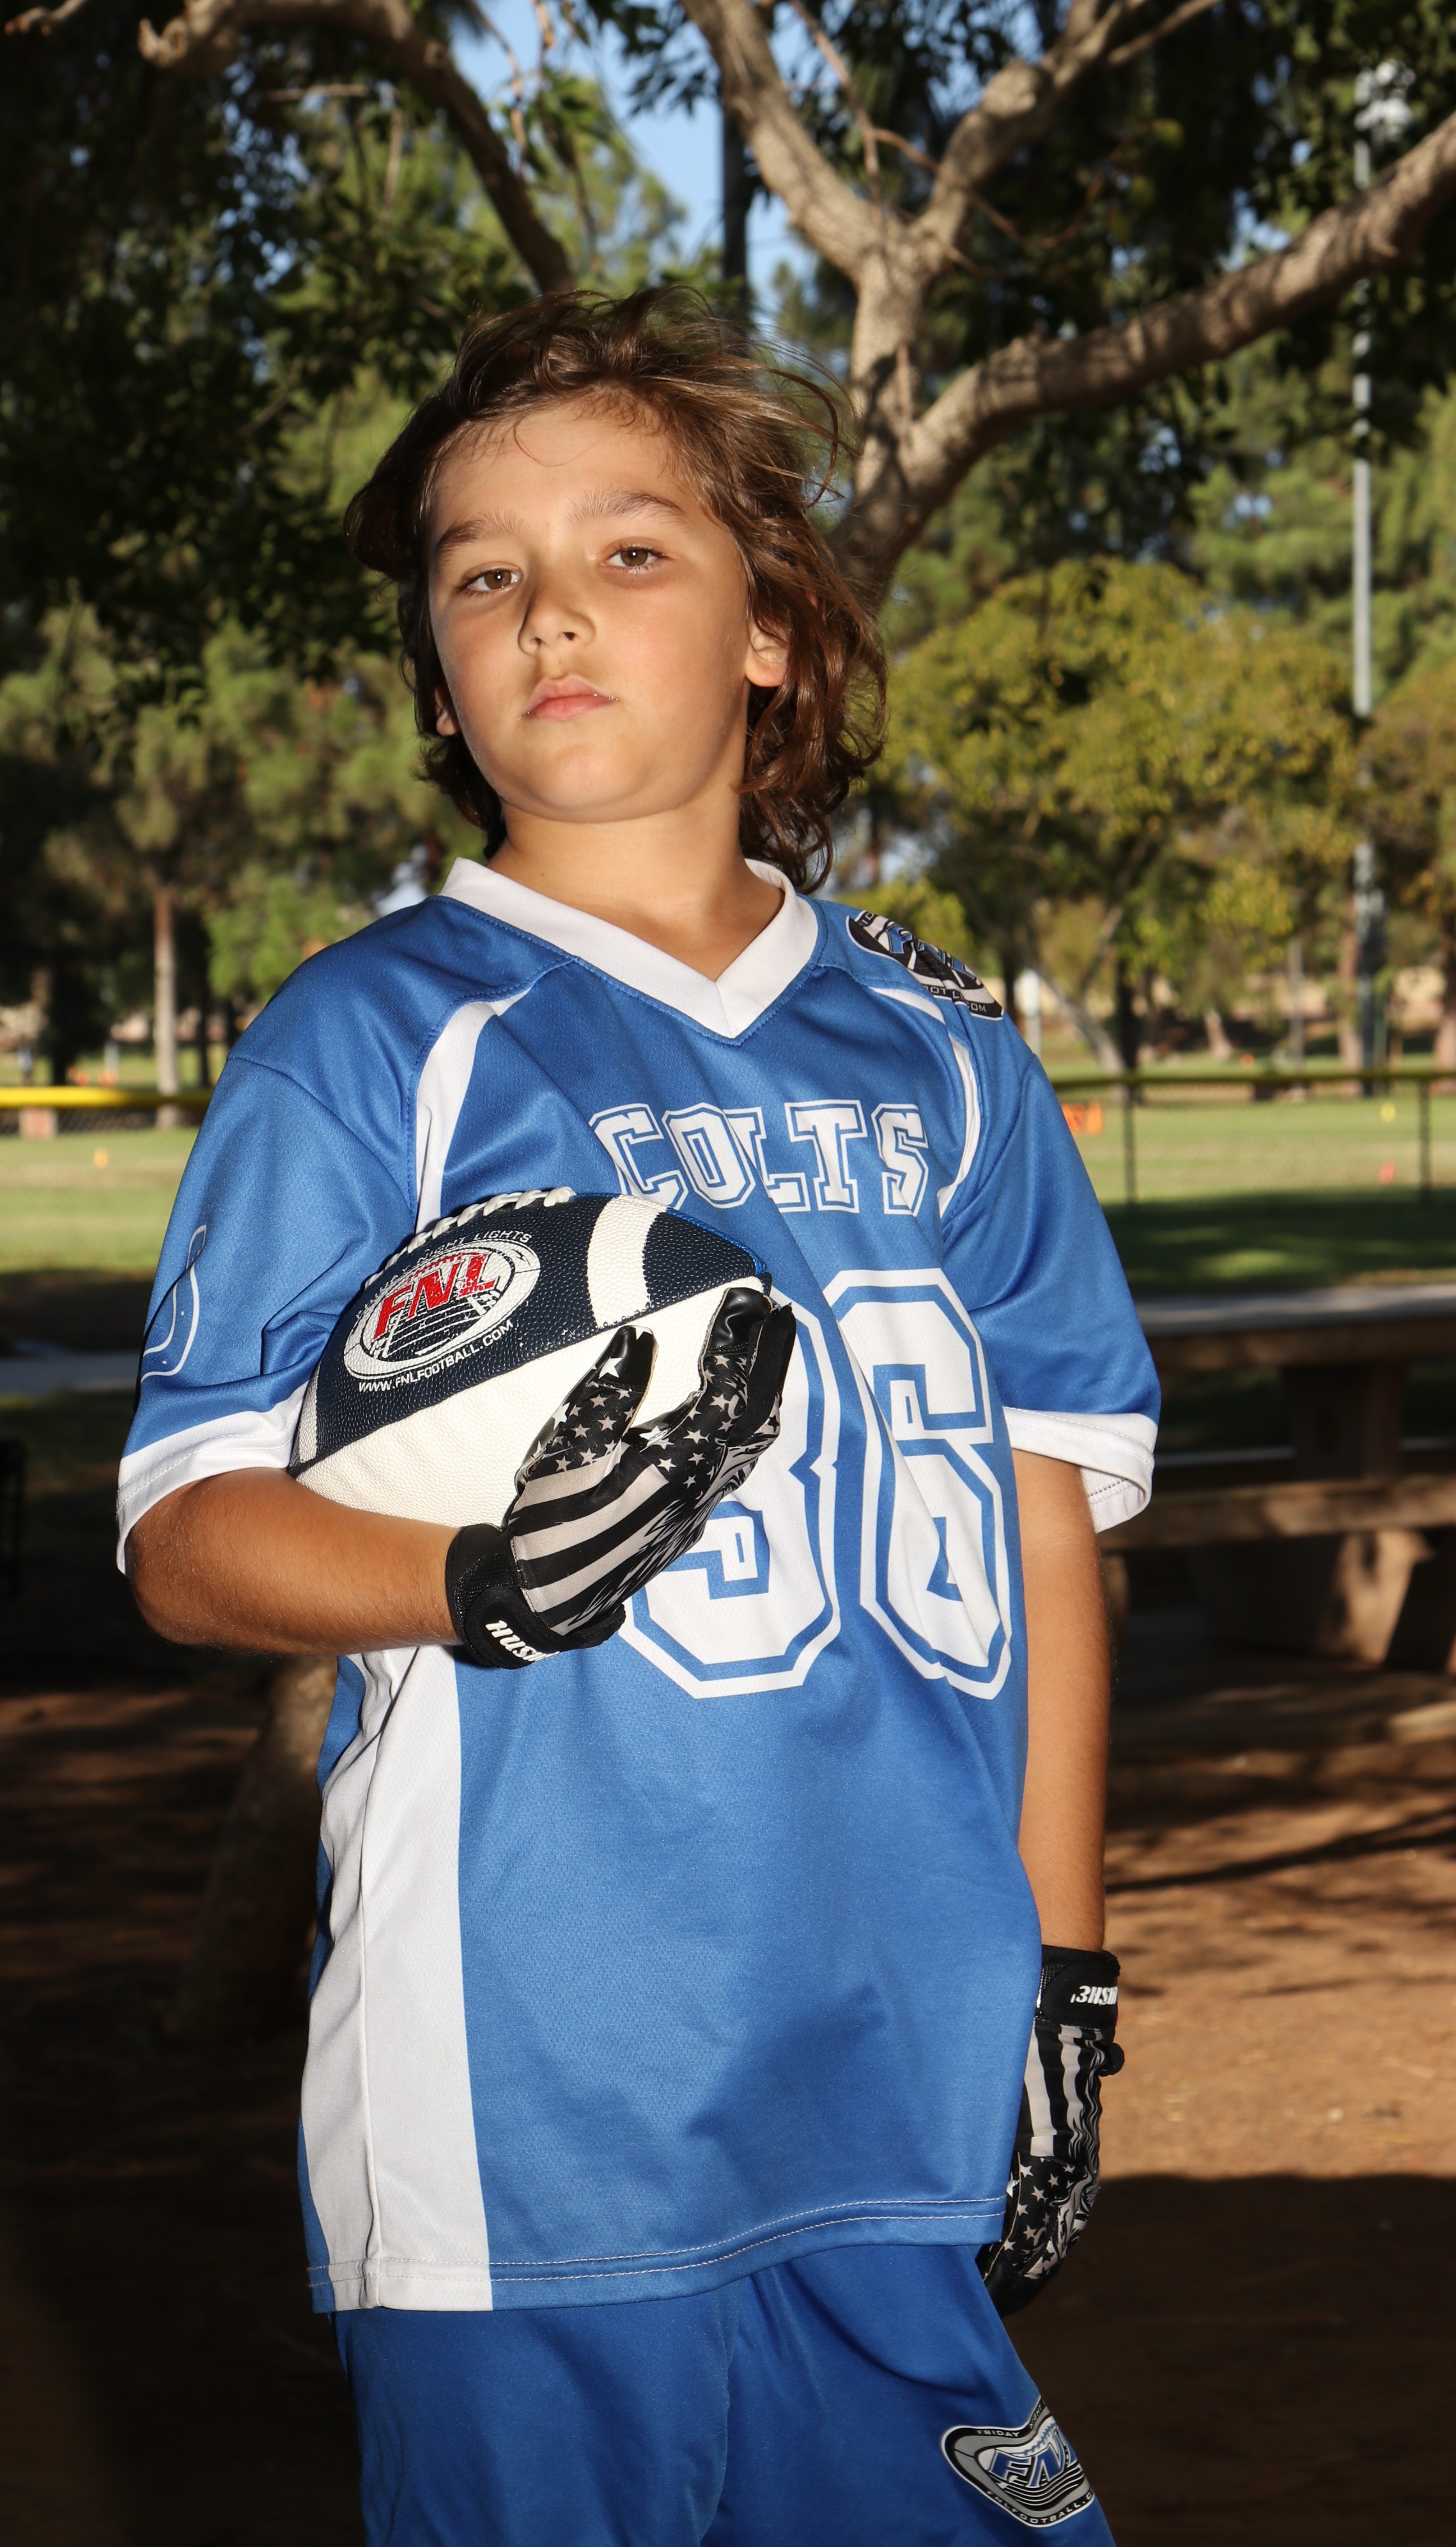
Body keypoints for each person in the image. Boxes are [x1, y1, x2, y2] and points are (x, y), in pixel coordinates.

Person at [120, 288, 1158, 2544]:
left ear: (774, 629)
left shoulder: (946, 1054)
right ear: (436, 673)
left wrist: (1064, 1968)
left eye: (629, 551)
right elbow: (188, 1537)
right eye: (482, 573)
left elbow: (1045, 1521)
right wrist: (470, 1582)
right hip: (528, 2115)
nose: (550, 612)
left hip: (891, 2066)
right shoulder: (372, 1037)